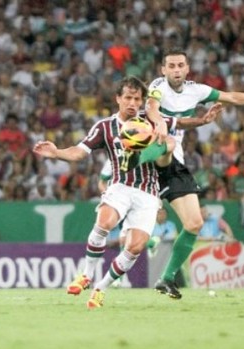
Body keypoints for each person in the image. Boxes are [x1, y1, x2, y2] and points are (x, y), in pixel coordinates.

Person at [143, 48, 244, 299]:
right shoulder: (158, 86)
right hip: (150, 151)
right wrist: (157, 120)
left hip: (174, 160)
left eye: (181, 65)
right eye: (172, 66)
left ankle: (166, 278)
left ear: (187, 68)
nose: (176, 70)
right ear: (163, 70)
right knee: (135, 218)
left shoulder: (197, 91)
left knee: (194, 223)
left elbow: (232, 97)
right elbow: (152, 107)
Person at [32, 76, 177, 309]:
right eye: (128, 97)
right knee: (104, 223)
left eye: (137, 99)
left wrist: (171, 137)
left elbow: (175, 134)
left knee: (136, 246)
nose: (132, 103)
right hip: (119, 186)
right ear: (118, 98)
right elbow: (80, 152)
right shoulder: (104, 127)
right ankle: (86, 275)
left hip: (148, 193)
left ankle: (101, 288)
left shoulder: (152, 123)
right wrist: (57, 152)